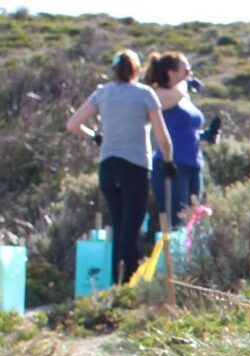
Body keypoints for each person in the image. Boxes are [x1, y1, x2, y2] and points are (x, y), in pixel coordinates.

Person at [65, 50, 174, 286]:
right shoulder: (145, 94)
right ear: (136, 70)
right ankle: (128, 284)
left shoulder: (102, 93)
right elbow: (162, 136)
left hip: (108, 166)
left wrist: (94, 136)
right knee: (131, 228)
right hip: (134, 166)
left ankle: (117, 281)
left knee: (118, 224)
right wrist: (168, 162)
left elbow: (73, 124)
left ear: (114, 70)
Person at [142, 52, 216, 234]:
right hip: (172, 166)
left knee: (193, 221)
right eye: (186, 70)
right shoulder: (158, 95)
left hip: (193, 166)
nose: (190, 74)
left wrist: (206, 135)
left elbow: (183, 130)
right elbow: (168, 103)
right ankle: (171, 261)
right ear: (171, 73)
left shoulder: (183, 97)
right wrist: (186, 84)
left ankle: (187, 261)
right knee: (177, 222)